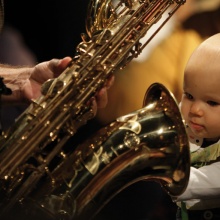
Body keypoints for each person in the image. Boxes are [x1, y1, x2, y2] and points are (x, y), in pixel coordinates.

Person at [174, 33, 220, 220]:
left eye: (212, 103)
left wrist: (171, 176)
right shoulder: (185, 119)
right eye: (189, 96)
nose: (195, 110)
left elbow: (214, 180)